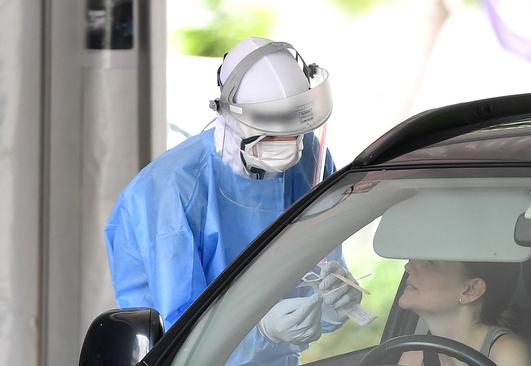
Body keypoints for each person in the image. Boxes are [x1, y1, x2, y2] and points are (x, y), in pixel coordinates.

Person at [104, 37, 361, 365]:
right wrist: (260, 332)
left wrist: (333, 300)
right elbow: (180, 332)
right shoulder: (172, 187)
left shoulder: (310, 157)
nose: (289, 145)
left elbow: (323, 262)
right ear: (230, 116)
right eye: (272, 131)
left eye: (295, 131)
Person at [398, 260, 531, 366]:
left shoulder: (509, 352)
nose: (408, 266)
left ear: (470, 290)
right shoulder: (414, 354)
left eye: (430, 262)